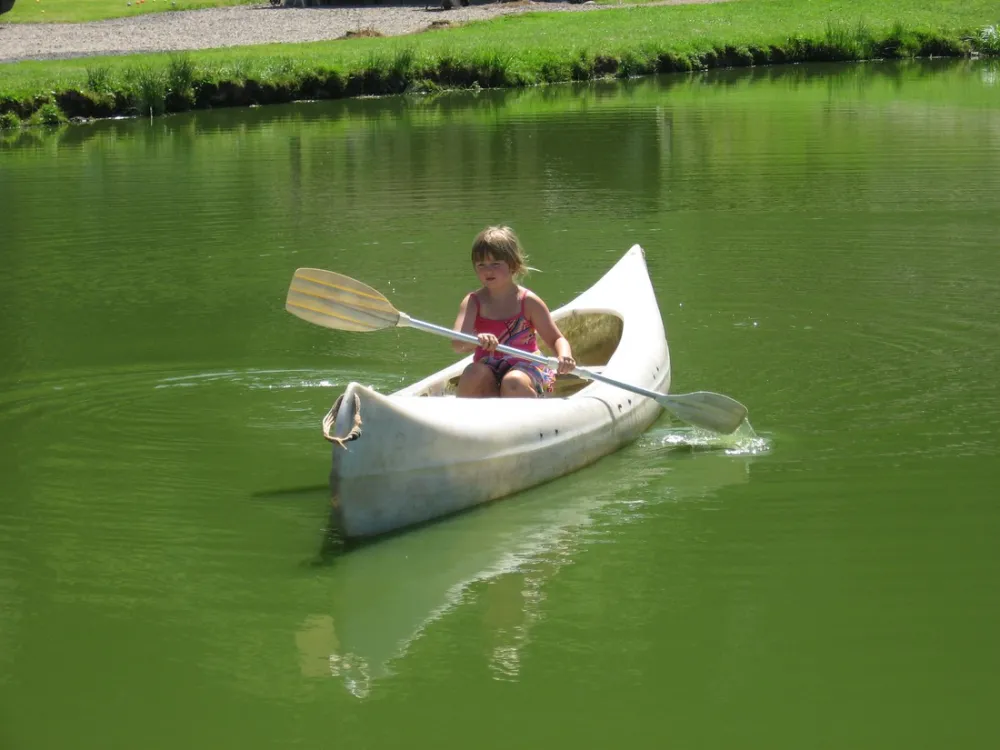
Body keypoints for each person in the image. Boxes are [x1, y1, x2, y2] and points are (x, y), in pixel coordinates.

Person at [452, 226, 575, 398]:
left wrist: (564, 356)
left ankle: (532, 414)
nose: (488, 271)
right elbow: (458, 344)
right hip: (489, 367)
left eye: (495, 264)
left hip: (526, 369)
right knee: (473, 373)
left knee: (513, 382)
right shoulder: (473, 302)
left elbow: (556, 339)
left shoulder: (529, 302)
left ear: (513, 266)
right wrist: (477, 341)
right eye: (481, 265)